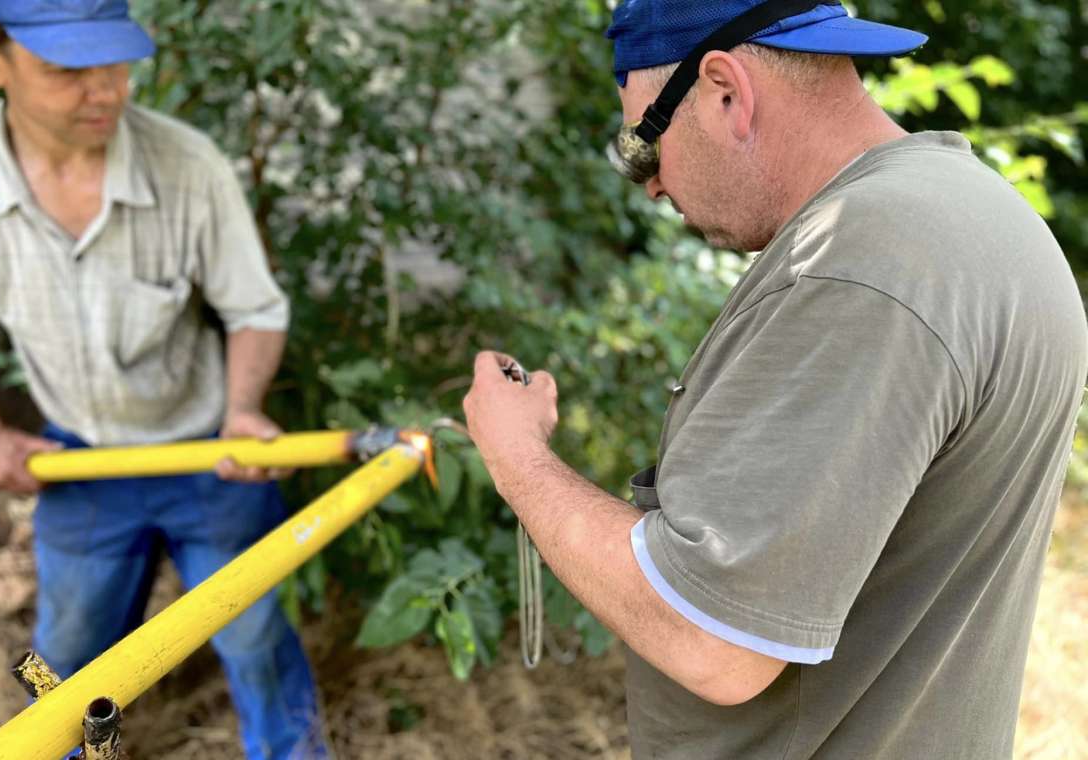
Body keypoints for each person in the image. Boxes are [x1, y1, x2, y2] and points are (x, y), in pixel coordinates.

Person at [462, 1, 1088, 758]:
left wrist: (516, 455)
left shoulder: (864, 267)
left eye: (641, 142)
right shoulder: (970, 211)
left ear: (725, 89)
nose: (650, 183)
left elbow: (711, 641)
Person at [0, 1, 327, 757]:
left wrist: (244, 409)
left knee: (255, 637)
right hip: (81, 461)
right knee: (59, 662)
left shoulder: (188, 165)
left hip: (207, 459)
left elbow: (255, 306)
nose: (106, 90)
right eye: (67, 70)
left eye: (115, 62)